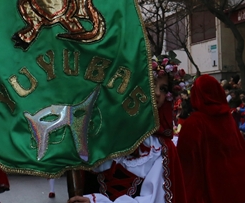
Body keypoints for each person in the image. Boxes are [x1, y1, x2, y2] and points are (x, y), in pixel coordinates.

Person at [68, 56, 187, 203]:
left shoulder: (158, 148)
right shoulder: (98, 134)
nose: (157, 93)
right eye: (151, 84)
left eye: (163, 89)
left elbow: (153, 199)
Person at [177, 74, 245, 203]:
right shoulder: (227, 118)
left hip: (208, 189)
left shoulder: (194, 123)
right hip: (233, 185)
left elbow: (186, 162)